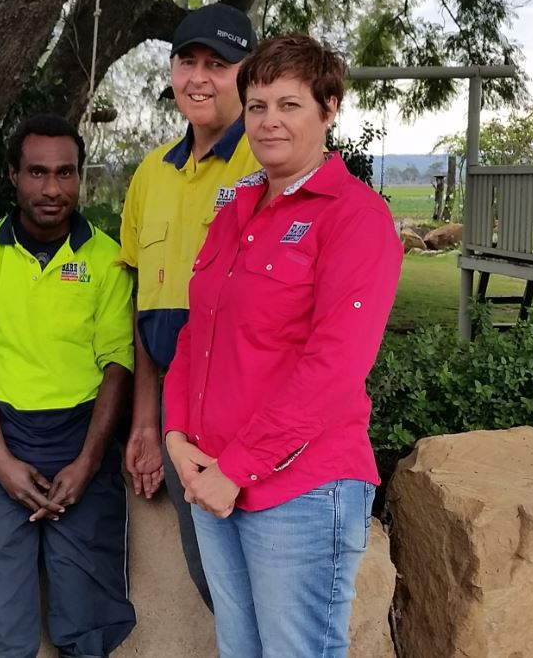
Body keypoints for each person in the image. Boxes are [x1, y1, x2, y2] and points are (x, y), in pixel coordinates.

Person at [163, 35, 402, 657]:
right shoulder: (237, 208)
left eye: (289, 105)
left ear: (328, 110)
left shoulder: (355, 217)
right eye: (258, 105)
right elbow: (197, 333)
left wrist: (237, 469)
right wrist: (177, 437)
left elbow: (335, 368)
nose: (270, 121)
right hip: (213, 478)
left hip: (300, 490)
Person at [0, 114, 136, 658]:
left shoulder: (105, 259)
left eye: (65, 173)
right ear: (13, 175)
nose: (52, 188)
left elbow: (117, 366)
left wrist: (88, 461)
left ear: (80, 176)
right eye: (36, 172)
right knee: (3, 620)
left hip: (82, 437)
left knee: (88, 614)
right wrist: (0, 461)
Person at [119, 2, 260, 607]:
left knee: (271, 590)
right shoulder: (152, 173)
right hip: (180, 420)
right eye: (187, 62)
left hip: (249, 411)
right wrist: (146, 424)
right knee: (215, 582)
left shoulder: (267, 159)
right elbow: (143, 304)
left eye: (219, 64)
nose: (199, 78)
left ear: (248, 73)